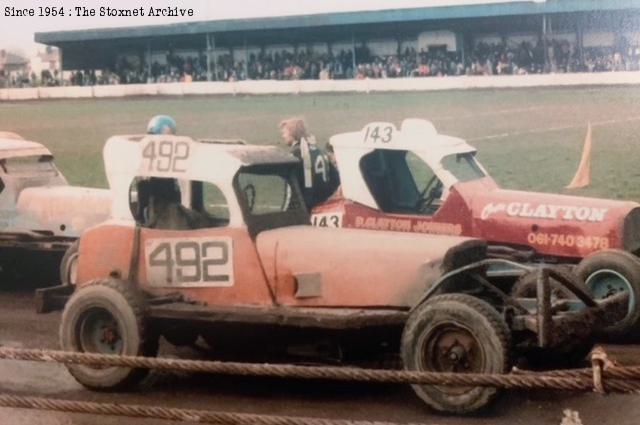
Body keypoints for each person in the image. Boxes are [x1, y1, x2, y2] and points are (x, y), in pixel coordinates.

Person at [279, 117, 339, 208]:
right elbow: (336, 180)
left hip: (306, 207)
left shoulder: (296, 154)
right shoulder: (320, 151)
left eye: (285, 132)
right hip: (322, 206)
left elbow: (292, 186)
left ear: (292, 132)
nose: (283, 136)